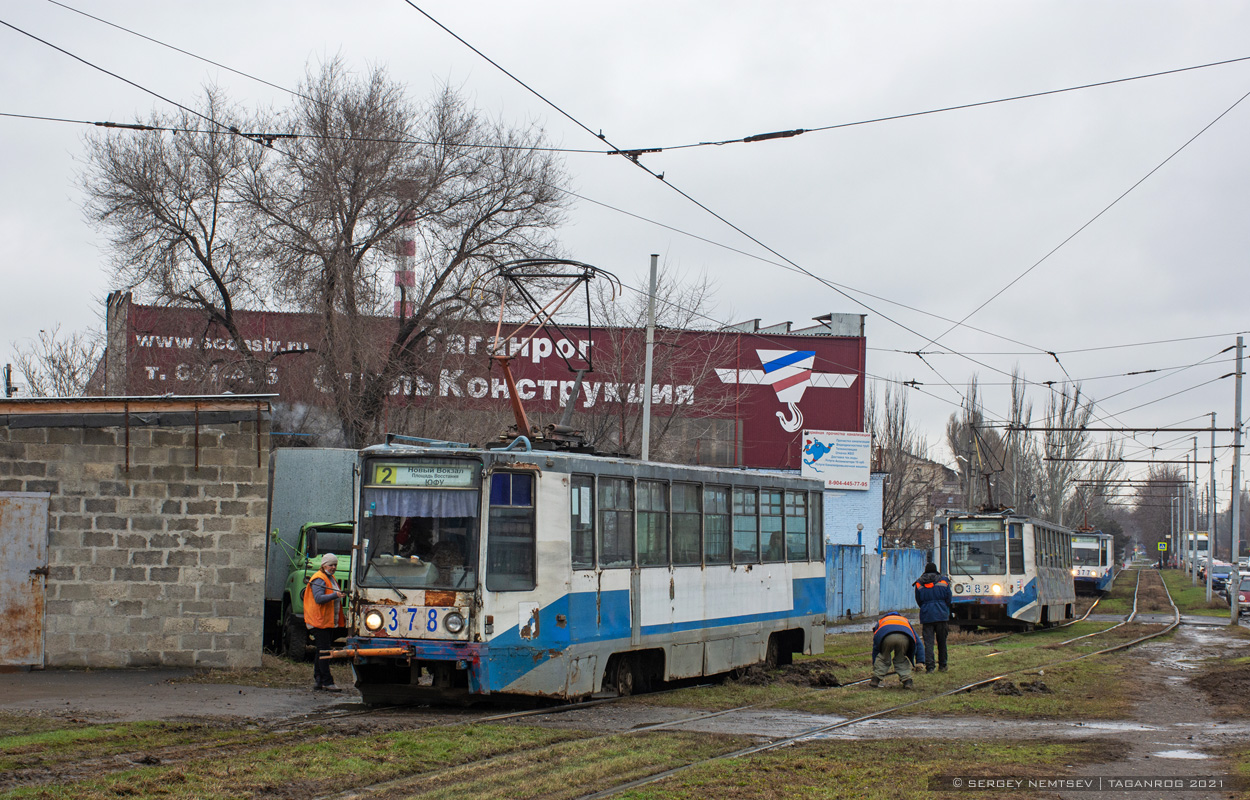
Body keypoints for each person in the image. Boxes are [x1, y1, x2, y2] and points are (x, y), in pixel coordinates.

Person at [302, 553, 346, 692]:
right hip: (319, 621)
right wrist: (336, 595)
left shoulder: (328, 577)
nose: (333, 567)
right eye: (330, 565)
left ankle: (319, 680)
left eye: (335, 565)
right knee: (325, 652)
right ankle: (328, 682)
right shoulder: (319, 579)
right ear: (323, 565)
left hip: (325, 621)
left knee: (321, 651)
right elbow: (319, 598)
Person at [913, 561, 952, 673]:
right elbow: (948, 598)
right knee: (942, 642)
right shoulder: (943, 580)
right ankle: (943, 665)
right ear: (936, 570)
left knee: (928, 643)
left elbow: (918, 600)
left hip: (927, 616)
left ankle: (930, 667)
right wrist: (943, 607)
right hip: (941, 615)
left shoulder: (919, 583)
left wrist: (926, 607)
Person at [869, 610, 924, 688]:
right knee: (900, 658)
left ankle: (875, 680)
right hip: (904, 637)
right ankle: (907, 681)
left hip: (886, 637)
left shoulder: (882, 621)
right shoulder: (905, 620)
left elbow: (876, 643)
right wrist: (920, 661)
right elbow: (917, 642)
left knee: (883, 658)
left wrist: (875, 663)